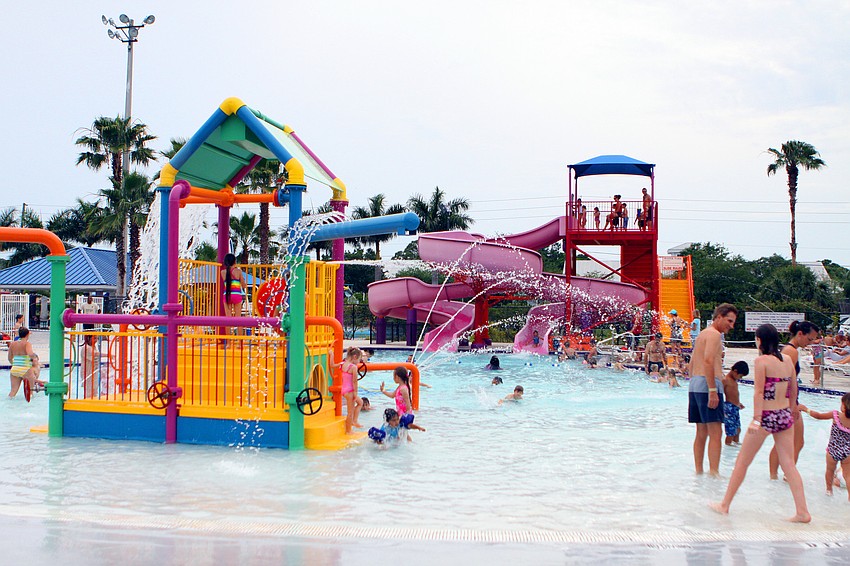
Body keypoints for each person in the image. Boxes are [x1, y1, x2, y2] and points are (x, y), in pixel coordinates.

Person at [710, 323, 810, 523]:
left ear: (760, 340)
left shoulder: (761, 361)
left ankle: (725, 505)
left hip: (766, 416)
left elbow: (759, 392)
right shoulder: (788, 359)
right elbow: (793, 388)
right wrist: (791, 410)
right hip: (784, 415)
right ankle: (802, 512)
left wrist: (756, 419)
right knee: (789, 464)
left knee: (742, 462)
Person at [689, 303, 737, 476]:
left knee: (701, 431)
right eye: (729, 321)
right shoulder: (715, 335)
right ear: (718, 317)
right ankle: (714, 472)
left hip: (695, 384)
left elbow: (691, 364)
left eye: (733, 323)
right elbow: (709, 361)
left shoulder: (702, 334)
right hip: (707, 384)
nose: (731, 326)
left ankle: (699, 472)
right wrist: (712, 389)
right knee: (716, 432)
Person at [768, 320, 819, 480]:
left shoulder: (787, 350)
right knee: (796, 441)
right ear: (800, 334)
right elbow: (787, 380)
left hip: (783, 400)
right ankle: (784, 475)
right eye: (809, 339)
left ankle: (775, 476)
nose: (810, 343)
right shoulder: (792, 352)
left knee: (783, 441)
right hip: (787, 401)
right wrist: (792, 405)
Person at [798, 393, 850, 499]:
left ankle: (829, 491)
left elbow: (818, 416)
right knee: (848, 475)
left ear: (844, 406)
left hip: (832, 450)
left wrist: (805, 409)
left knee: (830, 470)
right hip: (847, 452)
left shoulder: (835, 415)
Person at [7, 327, 44, 398]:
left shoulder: (13, 344)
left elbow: (9, 358)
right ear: (27, 335)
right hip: (25, 369)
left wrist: (15, 364)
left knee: (13, 392)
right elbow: (30, 354)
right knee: (30, 393)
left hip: (15, 369)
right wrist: (35, 359)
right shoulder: (27, 344)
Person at [723, 361, 750, 446]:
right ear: (735, 371)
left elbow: (734, 394)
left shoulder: (734, 380)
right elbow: (721, 394)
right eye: (740, 376)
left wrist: (738, 403)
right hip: (729, 408)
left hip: (735, 407)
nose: (740, 378)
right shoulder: (725, 380)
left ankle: (736, 444)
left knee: (738, 429)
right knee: (731, 431)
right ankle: (728, 445)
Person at [220, 253, 246, 334]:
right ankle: (240, 343)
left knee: (228, 319)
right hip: (237, 295)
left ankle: (228, 342)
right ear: (234, 261)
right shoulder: (238, 271)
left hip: (227, 295)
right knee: (238, 319)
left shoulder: (223, 272)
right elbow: (243, 285)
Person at [340, 347, 364, 434]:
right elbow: (354, 381)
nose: (358, 362)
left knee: (360, 402)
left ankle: (354, 421)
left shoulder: (343, 364)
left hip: (344, 390)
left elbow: (332, 365)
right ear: (354, 357)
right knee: (349, 412)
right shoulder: (353, 367)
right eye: (359, 360)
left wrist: (331, 355)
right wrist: (355, 393)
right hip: (350, 391)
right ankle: (348, 431)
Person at [79, 334, 102, 399]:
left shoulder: (93, 347)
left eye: (97, 339)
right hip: (87, 372)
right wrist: (108, 355)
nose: (96, 340)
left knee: (94, 389)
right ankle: (88, 402)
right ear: (88, 338)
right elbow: (95, 354)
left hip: (93, 371)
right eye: (94, 338)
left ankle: (94, 401)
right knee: (89, 390)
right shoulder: (86, 348)